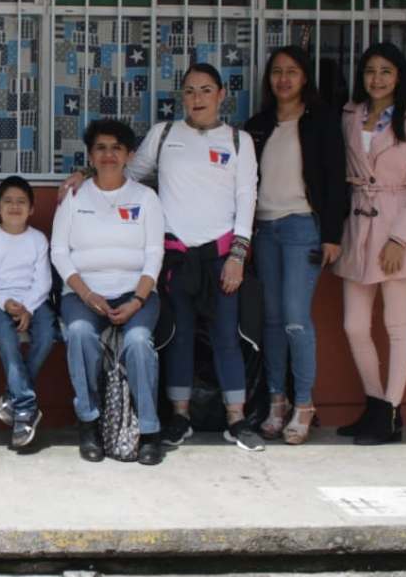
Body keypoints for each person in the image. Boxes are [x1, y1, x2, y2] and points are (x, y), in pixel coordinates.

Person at [62, 64, 261, 451]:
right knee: (179, 336)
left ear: (222, 95)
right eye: (189, 91)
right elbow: (125, 171)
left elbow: (246, 200)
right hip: (177, 256)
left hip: (222, 256)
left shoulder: (239, 141)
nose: (197, 98)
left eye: (206, 90)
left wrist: (238, 255)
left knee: (225, 336)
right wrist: (85, 173)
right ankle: (180, 417)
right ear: (181, 96)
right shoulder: (165, 134)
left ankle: (237, 419)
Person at [333, 42, 406, 446]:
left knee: (397, 325)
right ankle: (376, 405)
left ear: (400, 76)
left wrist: (399, 239)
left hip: (398, 224)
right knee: (354, 325)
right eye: (370, 71)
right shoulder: (349, 115)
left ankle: (391, 411)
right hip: (357, 225)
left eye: (386, 71)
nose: (376, 79)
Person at [244, 46, 347, 445]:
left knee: (294, 317)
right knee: (270, 319)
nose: (283, 79)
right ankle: (277, 401)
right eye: (276, 72)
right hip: (265, 229)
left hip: (303, 226)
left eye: (292, 71)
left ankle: (304, 404)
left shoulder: (321, 121)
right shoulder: (258, 124)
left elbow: (336, 179)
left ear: (305, 77)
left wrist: (332, 235)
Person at [51, 119, 165, 465]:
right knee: (80, 333)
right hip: (84, 295)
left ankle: (149, 430)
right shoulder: (73, 196)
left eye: (116, 148)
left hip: (136, 292)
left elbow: (154, 255)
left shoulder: (146, 198)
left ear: (130, 155)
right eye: (100, 148)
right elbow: (59, 252)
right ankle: (89, 422)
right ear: (90, 155)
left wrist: (137, 301)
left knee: (138, 342)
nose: (108, 155)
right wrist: (87, 296)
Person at [0, 175, 54, 449]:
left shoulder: (37, 239)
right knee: (8, 342)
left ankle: (14, 395)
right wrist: (6, 302)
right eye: (7, 201)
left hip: (35, 300)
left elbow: (43, 281)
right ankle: (25, 407)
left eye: (21, 202)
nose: (14, 206)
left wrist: (29, 308)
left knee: (46, 335)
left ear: (32, 209)